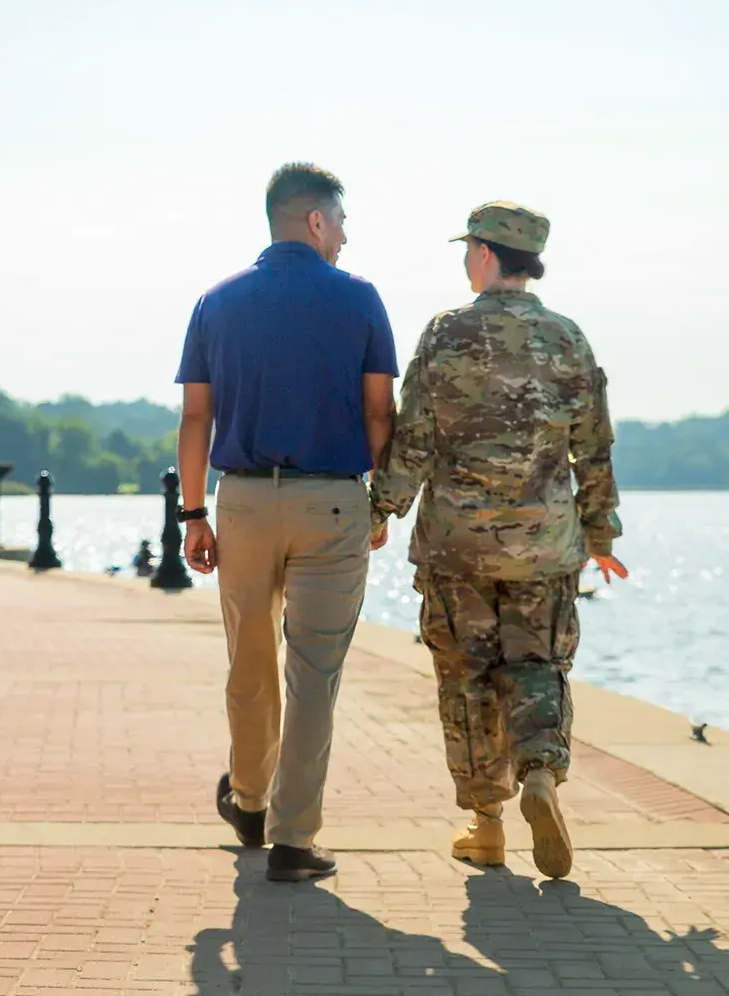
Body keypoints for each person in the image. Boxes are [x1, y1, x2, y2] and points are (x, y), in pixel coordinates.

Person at [369, 201, 628, 880]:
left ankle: (487, 827)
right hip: (545, 544)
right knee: (539, 665)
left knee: (467, 679)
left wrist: (383, 508)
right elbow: (592, 449)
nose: (464, 260)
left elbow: (415, 437)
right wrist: (599, 532)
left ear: (485, 254)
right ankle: (541, 771)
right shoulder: (568, 339)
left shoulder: (446, 333)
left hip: (457, 546)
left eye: (468, 248)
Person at [173, 162, 399, 881]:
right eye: (340, 222)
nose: (345, 236)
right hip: (332, 499)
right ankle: (295, 842)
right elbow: (377, 413)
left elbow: (196, 417)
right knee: (314, 675)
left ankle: (247, 801)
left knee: (249, 662)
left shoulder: (216, 301)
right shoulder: (360, 299)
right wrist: (381, 501)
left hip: (240, 502)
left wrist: (192, 514)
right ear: (315, 221)